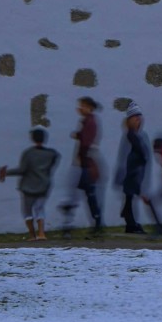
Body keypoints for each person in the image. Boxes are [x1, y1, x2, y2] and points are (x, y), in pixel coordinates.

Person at [0, 127, 62, 240]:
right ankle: (41, 234)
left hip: (28, 186)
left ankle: (32, 235)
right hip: (44, 185)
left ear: (32, 139)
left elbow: (22, 170)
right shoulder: (51, 154)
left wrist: (6, 173)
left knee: (27, 211)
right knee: (40, 209)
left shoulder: (28, 153)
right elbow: (54, 162)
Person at [114, 104, 162, 237]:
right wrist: (121, 175)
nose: (138, 119)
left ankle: (131, 221)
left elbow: (146, 156)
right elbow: (123, 156)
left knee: (132, 198)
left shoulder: (142, 135)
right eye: (135, 117)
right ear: (129, 120)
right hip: (131, 173)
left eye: (139, 117)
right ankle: (136, 223)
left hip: (139, 173)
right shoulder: (129, 136)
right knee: (134, 197)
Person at [60, 96, 105, 237]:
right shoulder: (87, 121)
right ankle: (94, 223)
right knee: (86, 194)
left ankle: (71, 225)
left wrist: (81, 157)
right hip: (84, 163)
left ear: (89, 108)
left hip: (85, 164)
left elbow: (86, 143)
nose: (80, 108)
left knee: (81, 194)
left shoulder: (90, 122)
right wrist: (78, 135)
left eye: (83, 106)